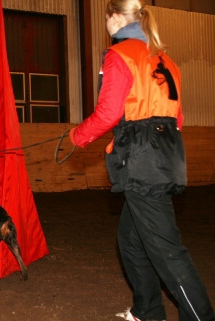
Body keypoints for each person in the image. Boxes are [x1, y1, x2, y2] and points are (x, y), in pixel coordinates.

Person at [69, 1, 215, 320]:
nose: (106, 24)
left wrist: (78, 136)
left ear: (117, 17)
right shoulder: (165, 60)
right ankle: (148, 310)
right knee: (131, 241)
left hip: (142, 158)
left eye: (107, 18)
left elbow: (108, 112)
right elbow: (178, 117)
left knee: (166, 250)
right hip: (165, 153)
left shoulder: (119, 55)